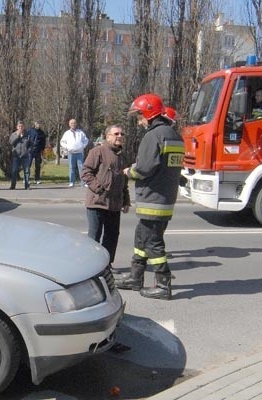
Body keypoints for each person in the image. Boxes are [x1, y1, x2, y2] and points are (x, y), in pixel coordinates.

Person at [115, 94, 184, 300]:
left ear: (148, 113)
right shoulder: (174, 135)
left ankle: (163, 284)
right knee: (141, 238)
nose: (139, 121)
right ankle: (135, 277)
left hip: (152, 198)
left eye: (139, 116)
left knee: (153, 243)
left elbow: (145, 168)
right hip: (164, 198)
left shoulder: (153, 136)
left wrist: (129, 172)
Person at [81, 125, 130, 273]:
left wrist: (126, 200)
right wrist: (99, 189)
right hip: (97, 203)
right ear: (107, 136)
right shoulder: (98, 152)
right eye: (116, 134)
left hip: (114, 204)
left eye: (121, 134)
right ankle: (90, 267)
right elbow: (86, 173)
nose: (119, 136)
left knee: (112, 236)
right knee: (94, 236)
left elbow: (124, 181)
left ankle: (106, 266)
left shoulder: (123, 156)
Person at [60, 119, 89, 187]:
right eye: (72, 123)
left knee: (81, 167)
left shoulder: (80, 132)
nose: (73, 124)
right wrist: (67, 147)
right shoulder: (67, 133)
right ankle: (71, 182)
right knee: (71, 167)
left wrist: (83, 147)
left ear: (76, 124)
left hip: (79, 153)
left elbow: (86, 140)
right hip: (71, 153)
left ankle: (83, 182)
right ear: (69, 124)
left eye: (74, 123)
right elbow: (62, 142)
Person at [9, 121, 31, 190]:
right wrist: (18, 136)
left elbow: (30, 144)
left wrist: (29, 150)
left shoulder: (27, 135)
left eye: (22, 126)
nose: (20, 128)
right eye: (19, 126)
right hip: (16, 156)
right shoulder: (13, 134)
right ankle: (13, 186)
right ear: (17, 127)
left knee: (27, 171)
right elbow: (11, 142)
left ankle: (27, 186)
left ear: (24, 127)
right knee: (14, 171)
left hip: (25, 156)